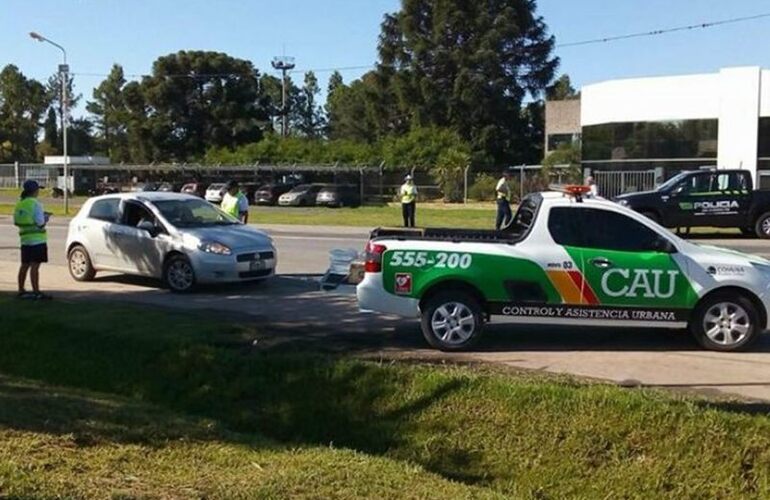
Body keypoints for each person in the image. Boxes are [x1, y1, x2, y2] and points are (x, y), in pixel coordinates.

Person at [13, 180, 51, 300]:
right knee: (35, 266)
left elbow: (16, 221)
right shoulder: (36, 204)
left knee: (24, 265)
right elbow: (40, 223)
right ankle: (36, 291)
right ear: (35, 191)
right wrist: (46, 218)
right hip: (37, 240)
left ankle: (21, 289)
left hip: (25, 240)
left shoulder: (20, 204)